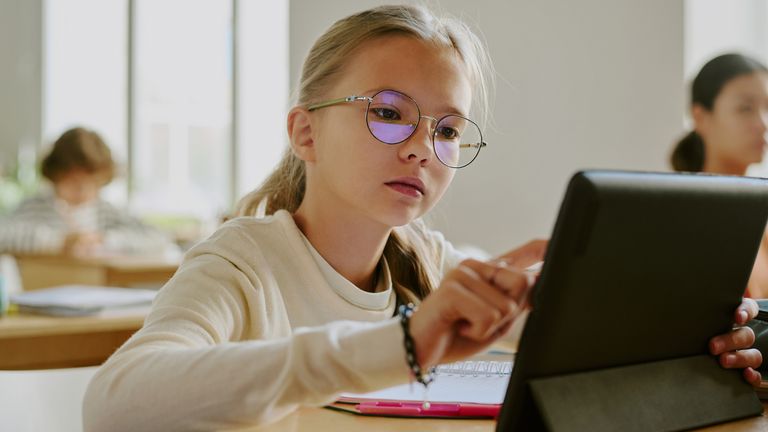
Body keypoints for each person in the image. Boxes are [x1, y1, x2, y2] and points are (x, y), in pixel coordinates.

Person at [84, 6, 762, 431]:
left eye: (447, 130)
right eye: (387, 112)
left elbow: (591, 340)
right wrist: (402, 344)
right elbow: (114, 404)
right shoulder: (241, 263)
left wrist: (713, 339)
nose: (419, 146)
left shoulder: (431, 261)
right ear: (305, 133)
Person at [670, 53, 768, 298]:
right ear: (701, 116)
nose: (763, 123)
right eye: (745, 109)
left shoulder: (760, 217)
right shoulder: (682, 218)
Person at [0, 127, 172, 256]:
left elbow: (157, 237)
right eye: (73, 182)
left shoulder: (106, 212)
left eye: (91, 183)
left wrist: (103, 240)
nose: (82, 190)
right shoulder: (35, 208)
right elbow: (5, 235)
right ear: (55, 176)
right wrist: (60, 241)